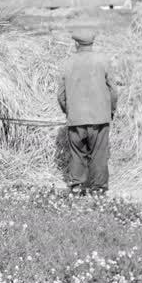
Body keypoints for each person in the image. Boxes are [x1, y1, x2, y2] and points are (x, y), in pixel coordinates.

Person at [57, 28, 118, 194]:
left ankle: (77, 187)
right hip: (100, 118)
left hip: (76, 119)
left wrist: (69, 112)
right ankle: (98, 190)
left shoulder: (67, 63)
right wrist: (110, 111)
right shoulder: (103, 61)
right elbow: (113, 91)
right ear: (92, 43)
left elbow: (61, 95)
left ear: (76, 43)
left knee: (77, 154)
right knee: (99, 154)